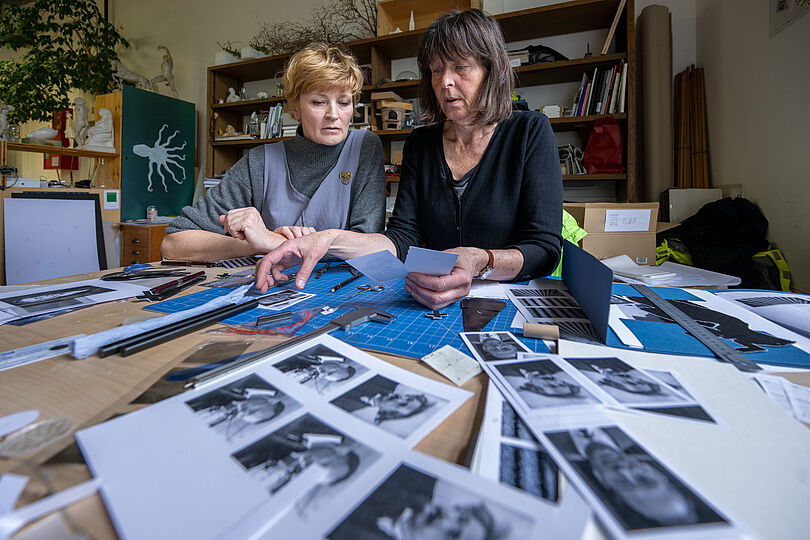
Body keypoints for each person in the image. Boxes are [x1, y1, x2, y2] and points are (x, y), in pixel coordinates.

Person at [256, 10, 562, 309]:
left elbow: (544, 249)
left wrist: (479, 261)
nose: (445, 82)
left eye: (460, 67)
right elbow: (402, 238)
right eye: (437, 70)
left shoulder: (529, 132)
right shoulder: (421, 143)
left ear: (490, 70)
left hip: (505, 301)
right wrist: (327, 240)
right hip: (429, 299)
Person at [161, 43, 385, 262]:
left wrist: (273, 242)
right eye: (318, 102)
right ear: (294, 108)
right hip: (273, 289)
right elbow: (174, 243)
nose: (333, 114)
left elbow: (369, 247)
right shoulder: (260, 162)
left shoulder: (364, 147)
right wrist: (252, 244)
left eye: (344, 102)